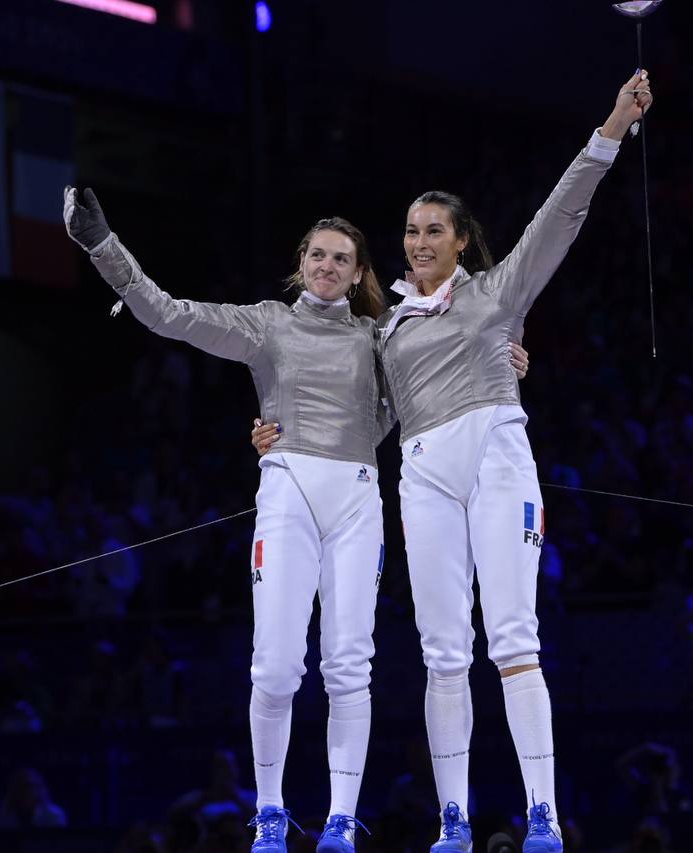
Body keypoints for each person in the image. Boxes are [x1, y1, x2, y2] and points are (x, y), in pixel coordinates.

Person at [64, 199, 393, 853]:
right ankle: (270, 812)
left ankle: (339, 820)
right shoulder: (267, 326)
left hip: (357, 502)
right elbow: (168, 313)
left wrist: (507, 357)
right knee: (274, 667)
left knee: (348, 665)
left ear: (358, 274)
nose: (328, 264)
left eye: (341, 257)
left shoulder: (379, 338)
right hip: (287, 497)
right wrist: (103, 244)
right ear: (301, 265)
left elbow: (398, 411)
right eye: (317, 253)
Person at [378, 69, 651, 852]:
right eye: (410, 231)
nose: (419, 242)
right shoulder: (388, 330)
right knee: (440, 651)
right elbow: (362, 417)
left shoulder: (498, 296)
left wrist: (611, 125)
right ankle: (453, 819)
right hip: (422, 477)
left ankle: (544, 814)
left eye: (434, 230)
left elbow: (560, 216)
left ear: (461, 241)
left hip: (497, 463)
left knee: (512, 639)